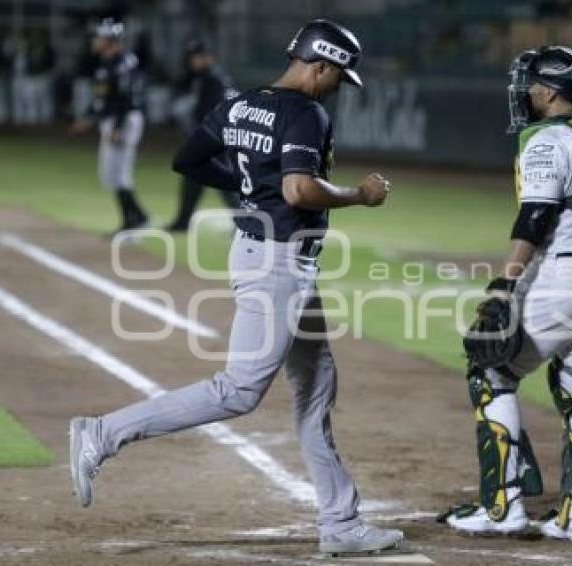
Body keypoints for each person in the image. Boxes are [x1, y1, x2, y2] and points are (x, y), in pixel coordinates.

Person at [68, 19, 405, 556]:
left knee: (316, 385)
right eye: (339, 75)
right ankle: (103, 433)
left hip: (267, 254)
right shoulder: (305, 111)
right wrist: (359, 195)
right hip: (278, 263)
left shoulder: (241, 104)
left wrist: (250, 184)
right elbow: (298, 190)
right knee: (240, 390)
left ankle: (341, 523)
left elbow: (188, 160)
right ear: (320, 64)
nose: (339, 85)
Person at [441, 46, 572, 543]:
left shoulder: (548, 142)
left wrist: (506, 283)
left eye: (530, 83)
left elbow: (536, 216)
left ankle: (502, 507)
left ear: (549, 90)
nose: (524, 91)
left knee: (490, 373)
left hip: (563, 276)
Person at [70, 18, 149, 236]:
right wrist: (87, 118)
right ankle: (138, 216)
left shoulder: (122, 62)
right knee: (110, 175)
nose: (95, 41)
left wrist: (117, 126)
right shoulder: (108, 63)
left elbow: (124, 98)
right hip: (116, 119)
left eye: (99, 37)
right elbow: (103, 98)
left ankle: (132, 222)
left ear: (109, 39)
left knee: (119, 174)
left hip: (123, 120)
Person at [165, 39, 241, 232]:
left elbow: (214, 113)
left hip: (218, 139)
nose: (195, 60)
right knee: (192, 177)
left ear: (209, 57)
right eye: (194, 57)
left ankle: (246, 222)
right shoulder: (202, 77)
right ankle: (183, 221)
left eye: (198, 56)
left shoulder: (214, 79)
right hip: (213, 136)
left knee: (225, 182)